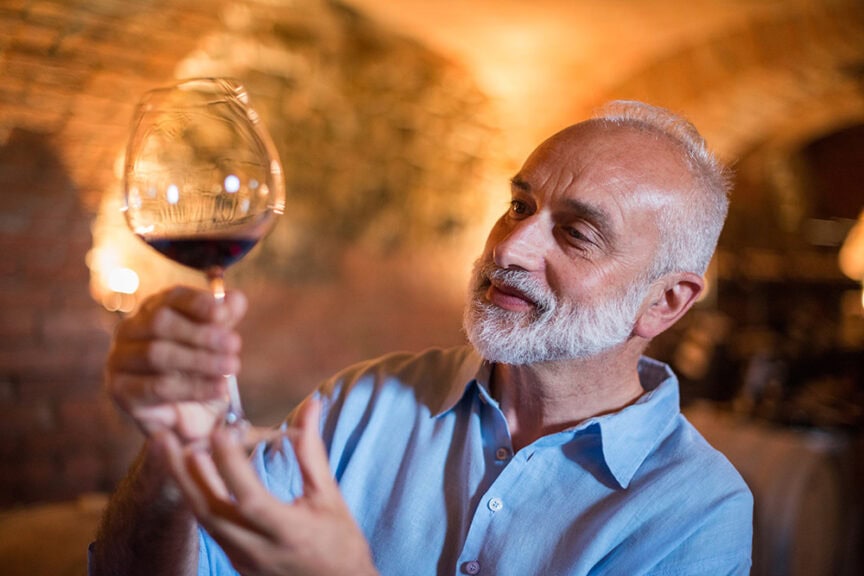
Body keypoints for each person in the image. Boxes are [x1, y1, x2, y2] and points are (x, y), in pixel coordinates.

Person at [91, 100, 753, 576]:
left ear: (664, 302)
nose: (512, 245)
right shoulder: (362, 402)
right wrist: (173, 452)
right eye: (519, 205)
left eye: (576, 233)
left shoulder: (698, 511)